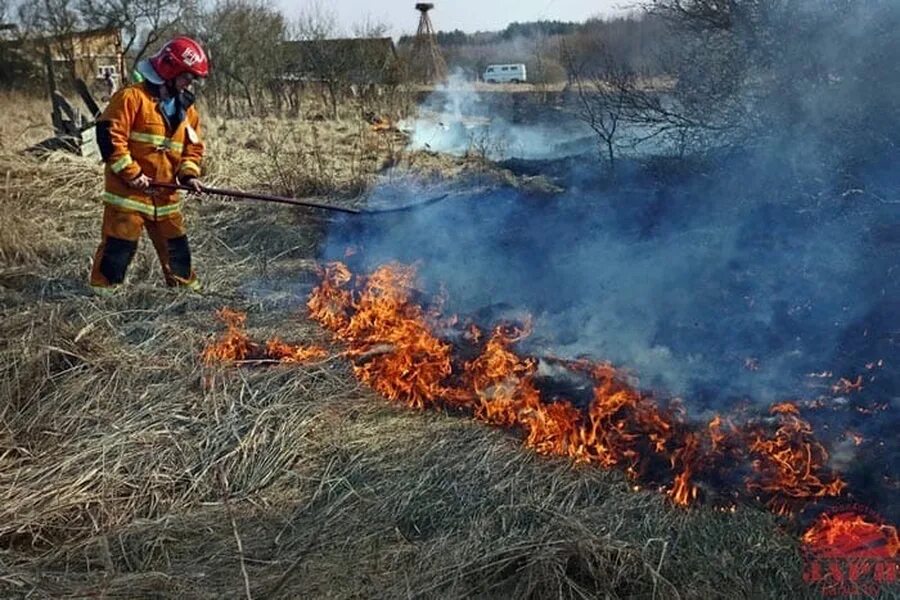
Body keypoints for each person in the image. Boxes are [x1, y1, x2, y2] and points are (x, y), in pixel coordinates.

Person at [90, 36, 209, 295]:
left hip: (166, 199)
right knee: (118, 251)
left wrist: (189, 176)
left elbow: (193, 148)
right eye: (187, 76)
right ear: (170, 70)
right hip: (128, 197)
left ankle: (186, 298)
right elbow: (109, 136)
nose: (190, 82)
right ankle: (101, 301)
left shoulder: (188, 110)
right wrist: (132, 174)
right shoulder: (132, 98)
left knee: (177, 250)